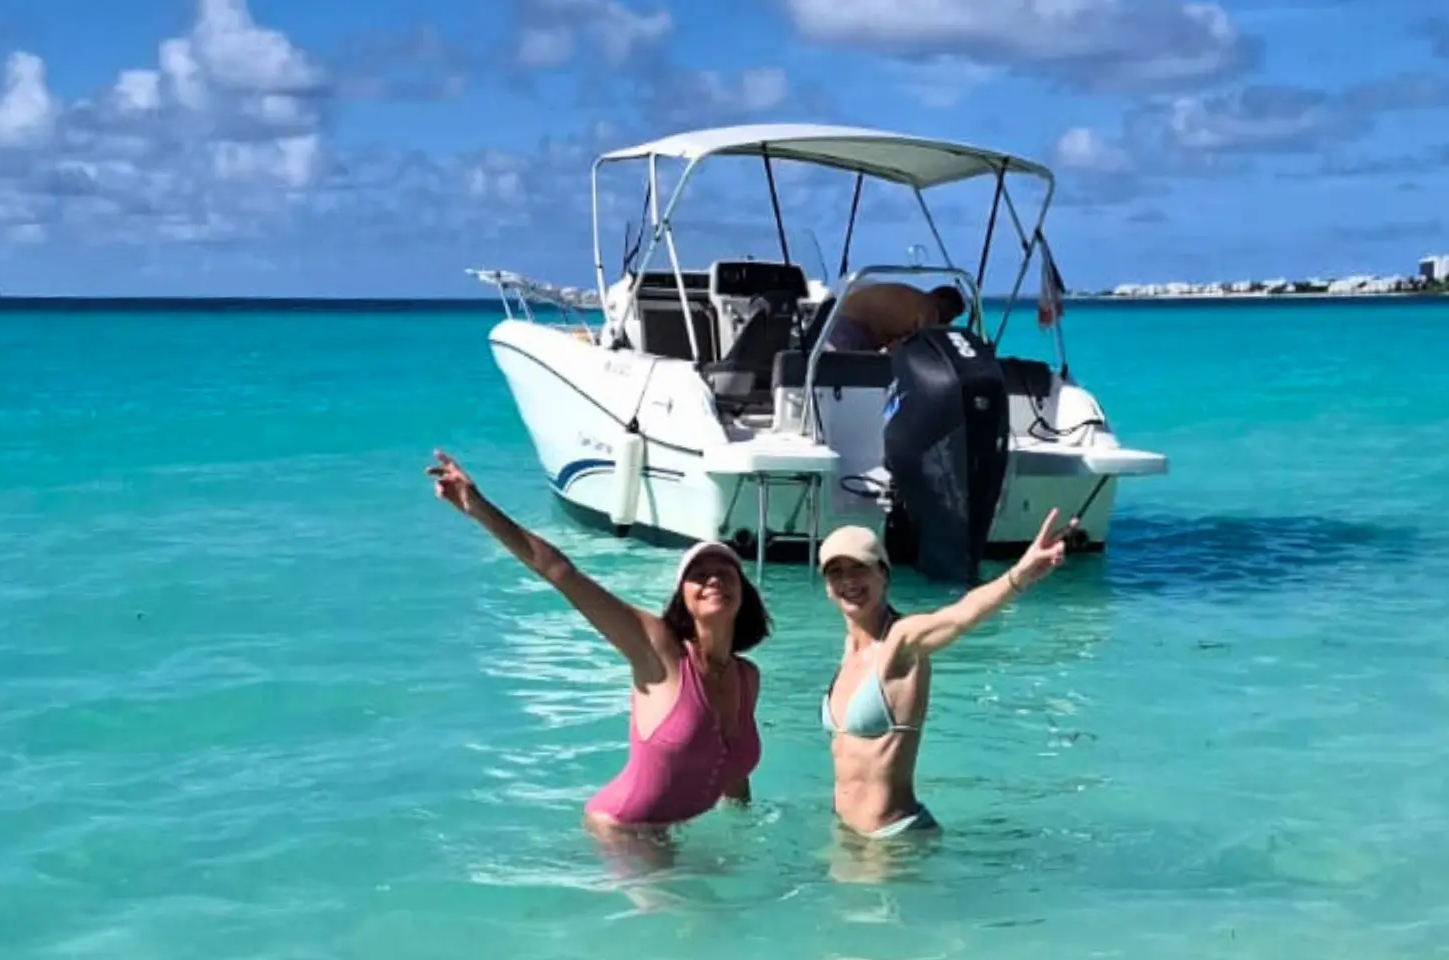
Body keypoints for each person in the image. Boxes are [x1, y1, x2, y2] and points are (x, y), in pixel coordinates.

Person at [427, 450, 769, 844]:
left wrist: (745, 838)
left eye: (725, 573)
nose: (713, 580)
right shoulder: (658, 650)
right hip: (622, 828)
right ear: (683, 600)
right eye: (699, 575)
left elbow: (734, 772)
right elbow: (560, 573)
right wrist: (479, 508)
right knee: (701, 909)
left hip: (669, 830)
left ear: (744, 594)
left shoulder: (747, 678)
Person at [816, 510, 1077, 839]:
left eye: (859, 568)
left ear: (883, 574)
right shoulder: (848, 650)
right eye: (836, 572)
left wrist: (1019, 575)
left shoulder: (902, 639)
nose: (849, 581)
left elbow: (960, 616)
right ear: (826, 587)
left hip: (892, 839)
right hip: (847, 834)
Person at [825, 281, 966, 353]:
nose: (947, 322)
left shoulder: (911, 298)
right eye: (950, 316)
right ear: (941, 301)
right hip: (854, 328)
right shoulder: (929, 309)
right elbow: (924, 347)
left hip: (838, 320)